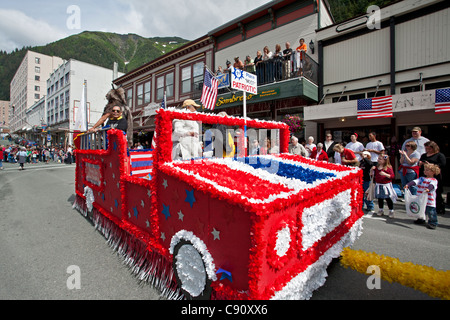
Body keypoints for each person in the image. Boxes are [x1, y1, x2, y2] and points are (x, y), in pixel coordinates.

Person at [405, 163, 440, 229]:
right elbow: (415, 181)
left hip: (429, 199)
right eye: (424, 170)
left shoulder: (434, 180)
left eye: (427, 170)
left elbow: (432, 185)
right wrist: (408, 184)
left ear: (433, 172)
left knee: (431, 211)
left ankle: (433, 222)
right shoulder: (422, 179)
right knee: (421, 209)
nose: (425, 171)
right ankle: (421, 219)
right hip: (421, 198)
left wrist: (428, 189)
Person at [419, 141, 446, 214]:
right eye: (426, 148)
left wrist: (431, 165)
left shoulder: (439, 155)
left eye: (429, 149)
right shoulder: (424, 155)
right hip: (425, 175)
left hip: (435, 176)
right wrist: (421, 163)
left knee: (437, 192)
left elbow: (443, 164)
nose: (427, 150)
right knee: (425, 191)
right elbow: (420, 163)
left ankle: (439, 207)